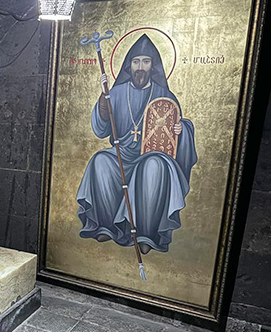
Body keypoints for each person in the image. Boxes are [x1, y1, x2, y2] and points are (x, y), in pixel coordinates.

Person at [76, 34, 197, 254]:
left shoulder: (164, 94)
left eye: (145, 61)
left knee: (152, 167)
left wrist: (182, 130)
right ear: (128, 66)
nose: (140, 67)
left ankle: (146, 234)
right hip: (123, 151)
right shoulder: (117, 93)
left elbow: (177, 127)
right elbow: (103, 129)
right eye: (136, 61)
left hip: (153, 153)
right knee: (101, 160)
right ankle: (106, 225)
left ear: (153, 66)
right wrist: (104, 101)